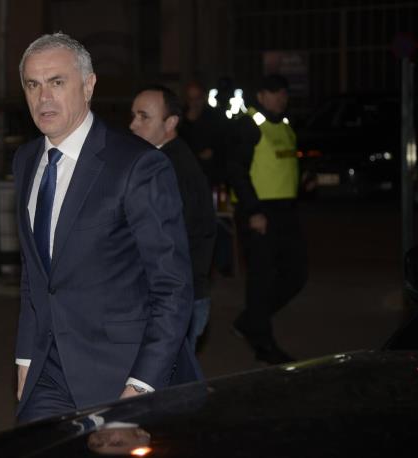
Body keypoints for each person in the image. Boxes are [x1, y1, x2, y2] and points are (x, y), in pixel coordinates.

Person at [13, 33, 199, 423]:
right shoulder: (26, 160)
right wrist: (25, 357)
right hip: (47, 374)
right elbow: (35, 274)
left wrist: (142, 385)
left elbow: (172, 287)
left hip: (119, 373)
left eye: (57, 82)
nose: (43, 97)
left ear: (89, 85)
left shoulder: (137, 165)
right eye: (33, 84)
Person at [227, 74, 307, 365]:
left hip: (285, 211)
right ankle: (263, 344)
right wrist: (253, 211)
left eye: (284, 92)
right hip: (259, 213)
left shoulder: (284, 124)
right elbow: (236, 171)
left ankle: (251, 320)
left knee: (296, 275)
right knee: (261, 280)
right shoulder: (249, 125)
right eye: (275, 93)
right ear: (260, 96)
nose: (281, 98)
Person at [130, 85, 216, 347]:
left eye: (144, 117)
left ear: (170, 123)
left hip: (174, 302)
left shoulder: (168, 168)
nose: (133, 125)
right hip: (178, 297)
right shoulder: (164, 159)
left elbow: (166, 241)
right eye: (134, 115)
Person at [180, 80, 235, 277]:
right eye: (190, 98)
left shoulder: (216, 117)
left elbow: (226, 146)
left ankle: (223, 264)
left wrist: (214, 154)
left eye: (197, 98)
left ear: (203, 97)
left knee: (222, 222)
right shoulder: (180, 119)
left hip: (216, 181)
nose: (194, 102)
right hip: (190, 184)